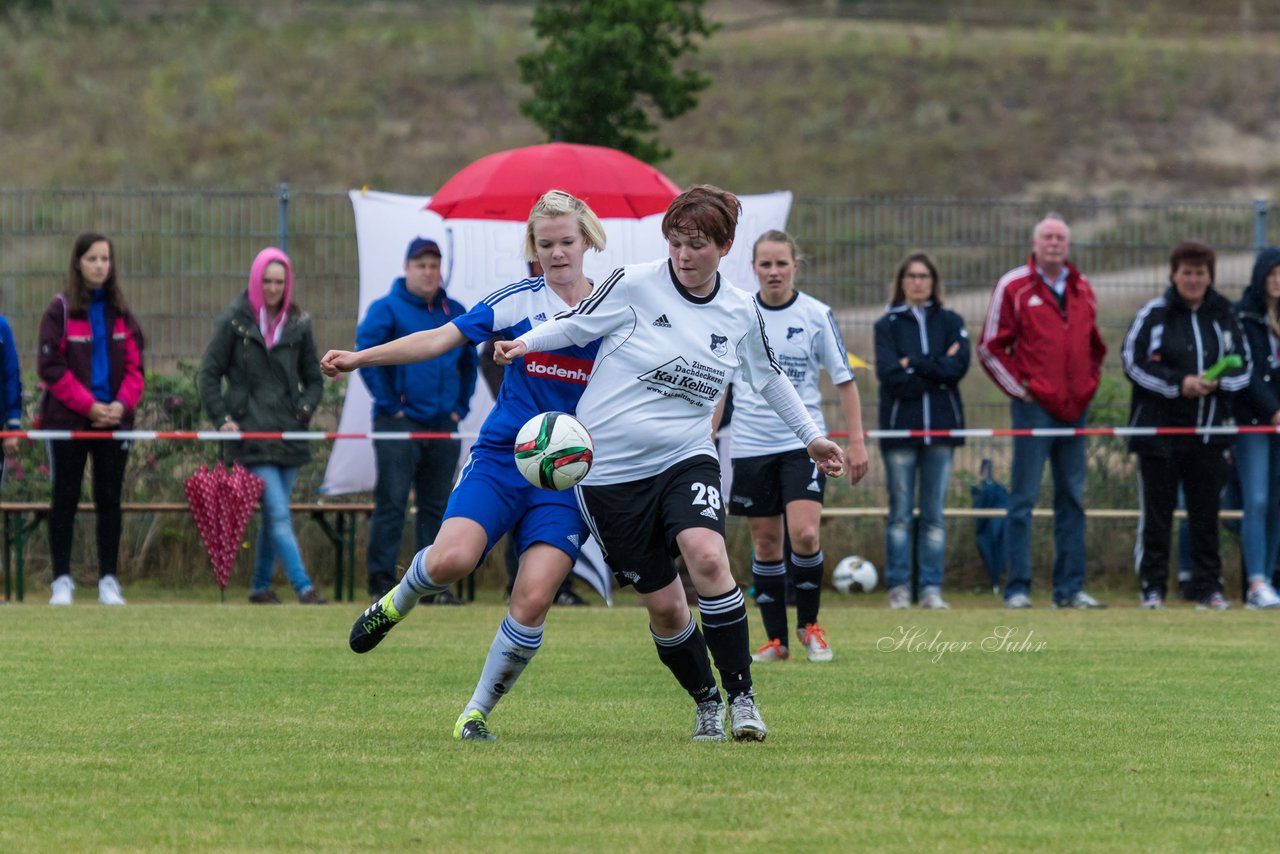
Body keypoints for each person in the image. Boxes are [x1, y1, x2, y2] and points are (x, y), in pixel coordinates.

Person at [495, 185, 847, 742]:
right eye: (677, 242)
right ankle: (705, 699)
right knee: (665, 607)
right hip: (608, 475)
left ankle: (743, 698)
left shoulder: (738, 311)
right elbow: (576, 324)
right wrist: (526, 342)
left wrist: (811, 438)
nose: (683, 255)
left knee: (708, 558)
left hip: (686, 458)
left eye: (698, 245)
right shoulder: (635, 283)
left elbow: (768, 376)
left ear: (725, 247)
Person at [327, 190, 607, 741]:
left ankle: (474, 714)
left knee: (532, 597)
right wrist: (361, 357)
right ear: (534, 247)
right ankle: (396, 601)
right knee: (453, 559)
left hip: (566, 478)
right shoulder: (516, 302)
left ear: (587, 241)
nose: (556, 254)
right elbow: (437, 339)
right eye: (545, 244)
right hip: (505, 459)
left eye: (566, 242)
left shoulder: (615, 307)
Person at [720, 230, 868, 664]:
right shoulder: (738, 312)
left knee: (803, 534)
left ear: (795, 266)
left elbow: (845, 379)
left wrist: (856, 443)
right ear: (754, 268)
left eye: (781, 263)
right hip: (750, 443)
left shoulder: (816, 314)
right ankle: (776, 640)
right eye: (765, 264)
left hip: (804, 443)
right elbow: (722, 386)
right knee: (765, 544)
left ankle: (810, 627)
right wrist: (705, 435)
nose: (774, 271)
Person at [978, 213, 1107, 609]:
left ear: (1068, 246)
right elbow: (989, 347)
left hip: (1075, 409)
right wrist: (1022, 390)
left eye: (1061, 238)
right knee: (1024, 499)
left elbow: (1094, 346)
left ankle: (1069, 589)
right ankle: (1018, 587)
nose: (1054, 243)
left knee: (1073, 497)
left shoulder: (1083, 288)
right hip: (1034, 410)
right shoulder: (1013, 286)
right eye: (1047, 236)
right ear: (1035, 244)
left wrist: (1088, 385)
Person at [1123, 240, 1250, 610]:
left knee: (1206, 515)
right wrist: (1179, 385)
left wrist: (1218, 383)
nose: (1193, 280)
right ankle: (1153, 587)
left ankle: (1208, 586)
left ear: (1210, 276)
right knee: (1158, 516)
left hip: (1210, 435)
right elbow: (1132, 362)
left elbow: (1243, 366)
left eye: (1200, 273)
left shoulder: (1226, 315)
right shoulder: (1154, 314)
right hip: (1159, 435)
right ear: (1173, 275)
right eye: (1187, 273)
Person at [199, 247, 327, 605]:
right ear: (256, 281)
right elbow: (209, 373)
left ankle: (259, 586)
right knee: (278, 512)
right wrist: (223, 418)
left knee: (275, 517)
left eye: (280, 282)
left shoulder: (299, 324)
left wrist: (304, 408)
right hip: (250, 435)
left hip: (289, 432)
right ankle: (304, 586)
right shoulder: (233, 322)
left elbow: (314, 379)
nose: (273, 288)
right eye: (267, 281)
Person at [358, 236, 477, 602]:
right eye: (421, 265)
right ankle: (381, 579)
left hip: (444, 424)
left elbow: (469, 363)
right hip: (399, 423)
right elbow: (367, 355)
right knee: (392, 501)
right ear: (407, 269)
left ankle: (432, 583)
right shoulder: (387, 309)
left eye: (434, 265)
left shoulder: (455, 310)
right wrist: (392, 404)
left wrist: (460, 408)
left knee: (438, 505)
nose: (428, 272)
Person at [38, 232, 145, 606]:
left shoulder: (122, 313)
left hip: (114, 424)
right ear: (78, 263)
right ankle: (62, 581)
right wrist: (89, 406)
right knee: (64, 497)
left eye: (105, 258)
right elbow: (50, 367)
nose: (100, 265)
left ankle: (108, 581)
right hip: (69, 423)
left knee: (109, 499)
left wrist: (120, 405)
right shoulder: (61, 310)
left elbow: (136, 368)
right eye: (92, 258)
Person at [874, 252, 970, 610]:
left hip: (942, 434)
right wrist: (933, 369)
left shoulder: (952, 321)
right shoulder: (887, 325)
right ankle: (898, 587)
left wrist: (913, 363)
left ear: (933, 282)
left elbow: (957, 368)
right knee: (900, 513)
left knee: (934, 516)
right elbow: (891, 377)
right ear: (902, 282)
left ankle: (931, 588)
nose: (918, 282)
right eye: (912, 276)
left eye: (924, 276)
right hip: (900, 433)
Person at [1233, 247, 1280, 609]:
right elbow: (1246, 372)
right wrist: (1273, 410)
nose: (1278, 281)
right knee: (1257, 499)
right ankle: (1255, 582)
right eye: (1273, 273)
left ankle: (1269, 578)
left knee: (1277, 502)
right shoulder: (1243, 316)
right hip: (1254, 422)